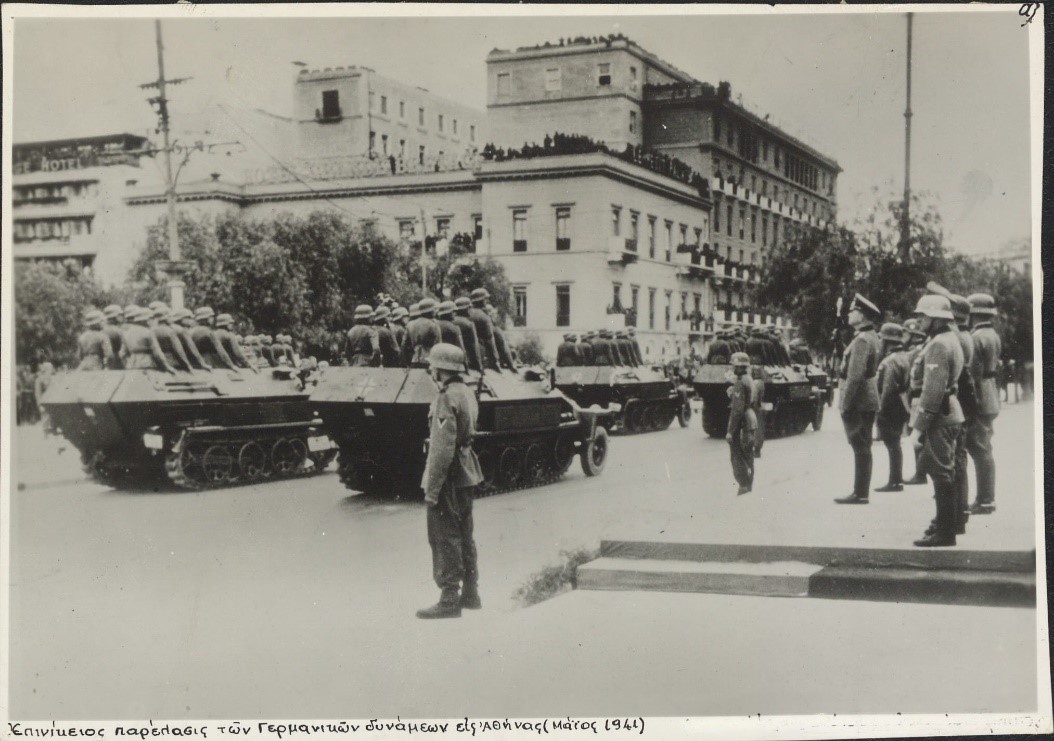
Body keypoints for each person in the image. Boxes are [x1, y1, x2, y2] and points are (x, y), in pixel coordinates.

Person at [416, 343, 484, 620]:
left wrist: (432, 489)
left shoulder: (445, 397)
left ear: (441, 369)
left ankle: (449, 599)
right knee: (465, 534)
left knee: (444, 535)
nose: (431, 370)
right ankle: (471, 593)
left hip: (449, 476)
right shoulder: (466, 391)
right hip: (466, 471)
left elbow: (441, 449)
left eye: (432, 366)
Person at [908, 294, 965, 547]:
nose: (919, 320)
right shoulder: (949, 339)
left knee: (940, 473)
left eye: (923, 316)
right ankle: (946, 526)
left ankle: (945, 532)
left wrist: (918, 428)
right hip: (948, 412)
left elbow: (932, 392)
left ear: (935, 318)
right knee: (946, 471)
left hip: (938, 417)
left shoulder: (939, 344)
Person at [834, 294, 882, 505]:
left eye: (853, 311)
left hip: (859, 399)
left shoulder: (862, 339)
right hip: (866, 397)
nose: (849, 314)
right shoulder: (870, 336)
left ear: (862, 316)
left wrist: (845, 404)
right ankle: (861, 491)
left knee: (859, 445)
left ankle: (860, 493)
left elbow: (854, 376)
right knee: (863, 445)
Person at [966, 292, 1001, 515]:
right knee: (984, 447)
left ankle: (985, 499)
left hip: (980, 395)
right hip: (990, 392)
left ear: (974, 314)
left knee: (980, 448)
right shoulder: (992, 334)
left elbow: (974, 374)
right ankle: (985, 498)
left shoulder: (976, 337)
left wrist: (971, 403)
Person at [874, 323, 911, 492]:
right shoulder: (904, 356)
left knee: (892, 444)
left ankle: (894, 481)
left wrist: (881, 409)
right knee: (895, 444)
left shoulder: (890, 361)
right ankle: (897, 479)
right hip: (900, 404)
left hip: (890, 406)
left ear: (887, 341)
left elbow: (888, 388)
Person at [726, 352, 756, 496]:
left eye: (734, 366)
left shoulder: (740, 382)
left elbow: (737, 410)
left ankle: (743, 485)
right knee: (748, 455)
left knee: (737, 455)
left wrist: (730, 431)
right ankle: (748, 485)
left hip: (742, 422)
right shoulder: (748, 379)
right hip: (750, 420)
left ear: (739, 367)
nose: (732, 368)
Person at [123, 307, 176, 372]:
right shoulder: (148, 332)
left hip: (131, 365)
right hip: (148, 364)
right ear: (146, 320)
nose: (155, 321)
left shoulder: (127, 332)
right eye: (152, 318)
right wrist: (167, 367)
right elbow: (157, 352)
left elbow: (122, 353)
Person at [149, 302, 194, 372]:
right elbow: (179, 350)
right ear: (165, 317)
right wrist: (188, 366)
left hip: (156, 363)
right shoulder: (172, 330)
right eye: (170, 316)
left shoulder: (151, 330)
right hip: (173, 362)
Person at [467, 289, 502, 372]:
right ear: (482, 300)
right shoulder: (483, 316)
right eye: (485, 299)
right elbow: (490, 339)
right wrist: (496, 360)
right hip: (479, 355)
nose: (486, 301)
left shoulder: (466, 312)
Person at [403, 297, 443, 366]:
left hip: (414, 360)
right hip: (430, 361)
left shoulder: (410, 324)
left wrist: (406, 363)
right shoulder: (434, 325)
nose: (435, 311)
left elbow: (404, 346)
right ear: (431, 311)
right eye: (434, 309)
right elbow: (439, 346)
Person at [452, 297, 484, 373]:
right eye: (469, 308)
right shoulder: (468, 324)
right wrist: (479, 366)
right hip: (465, 360)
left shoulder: (451, 321)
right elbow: (474, 346)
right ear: (466, 309)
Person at [101, 304, 126, 369]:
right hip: (116, 362)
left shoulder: (102, 329)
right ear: (115, 316)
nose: (122, 317)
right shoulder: (118, 330)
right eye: (120, 315)